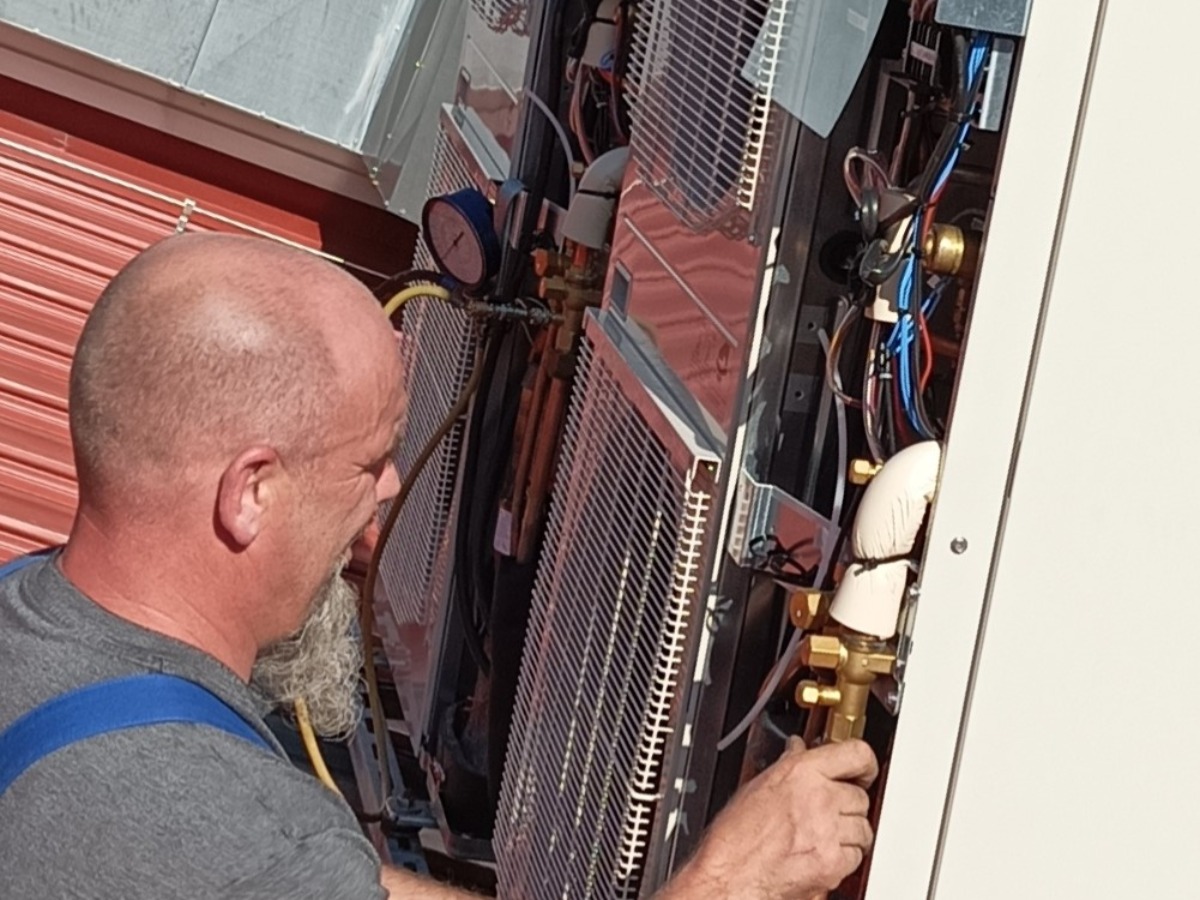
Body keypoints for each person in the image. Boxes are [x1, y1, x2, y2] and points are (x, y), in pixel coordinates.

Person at [0, 234, 878, 899]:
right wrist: (729, 880)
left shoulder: (28, 613)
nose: (388, 487)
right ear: (251, 492)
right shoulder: (240, 836)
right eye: (369, 460)